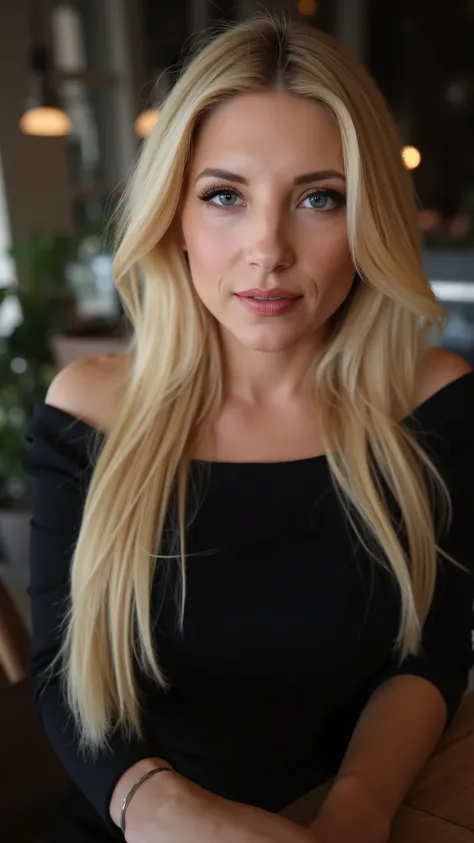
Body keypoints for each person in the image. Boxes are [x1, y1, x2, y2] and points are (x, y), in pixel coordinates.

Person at [24, 13, 474, 843]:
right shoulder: (90, 411)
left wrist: (355, 812)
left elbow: (432, 655)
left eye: (318, 198)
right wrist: (166, 812)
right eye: (224, 195)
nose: (267, 248)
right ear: (176, 218)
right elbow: (60, 674)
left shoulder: (435, 405)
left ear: (367, 218)